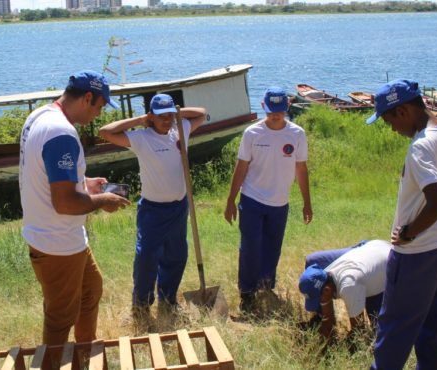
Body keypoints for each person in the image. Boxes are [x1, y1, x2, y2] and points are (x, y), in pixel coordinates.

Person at [365, 79, 437, 370]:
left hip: (417, 253)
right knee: (432, 319)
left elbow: (436, 203)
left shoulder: (420, 148)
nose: (392, 129)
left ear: (403, 111)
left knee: (395, 327)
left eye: (389, 120)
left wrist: (408, 233)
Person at [19, 70, 131, 347]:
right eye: (100, 106)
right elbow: (65, 202)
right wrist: (103, 200)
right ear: (88, 97)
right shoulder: (62, 133)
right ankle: (53, 363)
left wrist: (83, 184)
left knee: (90, 290)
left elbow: (48, 176)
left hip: (60, 236)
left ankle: (84, 351)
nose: (99, 114)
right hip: (56, 241)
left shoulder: (40, 116)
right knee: (60, 318)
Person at [98, 94, 207, 318]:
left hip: (178, 207)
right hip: (153, 210)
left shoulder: (181, 129)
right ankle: (141, 306)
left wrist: (178, 113)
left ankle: (168, 301)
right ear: (152, 117)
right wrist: (140, 119)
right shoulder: (142, 138)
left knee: (177, 256)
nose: (166, 121)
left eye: (169, 116)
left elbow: (202, 113)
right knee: (146, 258)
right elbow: (105, 132)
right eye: (161, 116)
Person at [224, 86, 313, 313]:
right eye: (272, 110)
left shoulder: (297, 134)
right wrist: (230, 200)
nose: (276, 115)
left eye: (280, 111)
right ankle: (246, 292)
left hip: (279, 202)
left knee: (273, 248)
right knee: (251, 247)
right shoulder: (252, 133)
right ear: (263, 107)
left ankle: (265, 286)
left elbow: (301, 169)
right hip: (252, 199)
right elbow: (241, 167)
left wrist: (307, 202)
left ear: (288, 107)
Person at [298, 240, 391, 343]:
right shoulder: (327, 274)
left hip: (391, 262)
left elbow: (359, 330)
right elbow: (328, 321)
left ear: (327, 291)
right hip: (375, 248)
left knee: (382, 337)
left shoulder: (348, 286)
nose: (320, 303)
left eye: (318, 299)